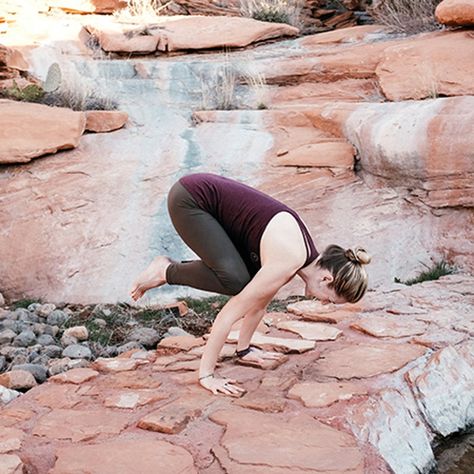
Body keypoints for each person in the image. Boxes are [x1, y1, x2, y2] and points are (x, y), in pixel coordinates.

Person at [130, 173, 371, 396]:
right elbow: (228, 314)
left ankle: (169, 270)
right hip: (191, 200)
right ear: (327, 279)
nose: (323, 303)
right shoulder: (289, 260)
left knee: (245, 282)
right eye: (329, 299)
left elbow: (259, 304)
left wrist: (244, 350)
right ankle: (165, 270)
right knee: (237, 282)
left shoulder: (299, 259)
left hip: (203, 201)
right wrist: (207, 376)